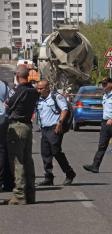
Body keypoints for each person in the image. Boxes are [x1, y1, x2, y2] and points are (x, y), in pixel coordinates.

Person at [6, 66, 39, 205]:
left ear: (18, 75)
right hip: (27, 125)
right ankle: (30, 194)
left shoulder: (20, 90)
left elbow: (10, 104)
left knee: (17, 162)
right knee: (28, 161)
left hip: (17, 126)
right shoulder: (33, 90)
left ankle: (19, 194)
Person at [83, 77, 112, 173]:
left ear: (110, 84)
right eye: (102, 84)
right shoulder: (105, 95)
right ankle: (95, 166)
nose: (103, 86)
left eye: (105, 84)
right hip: (105, 123)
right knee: (102, 145)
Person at [36, 80, 76, 186]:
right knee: (45, 153)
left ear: (47, 88)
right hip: (44, 129)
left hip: (55, 128)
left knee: (56, 151)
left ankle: (69, 173)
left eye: (41, 88)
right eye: (38, 88)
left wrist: (60, 123)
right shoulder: (38, 99)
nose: (38, 90)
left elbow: (64, 110)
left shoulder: (56, 97)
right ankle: (48, 177)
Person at [0, 79, 14, 192]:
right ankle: (6, 181)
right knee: (3, 150)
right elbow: (11, 100)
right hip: (3, 120)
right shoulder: (3, 85)